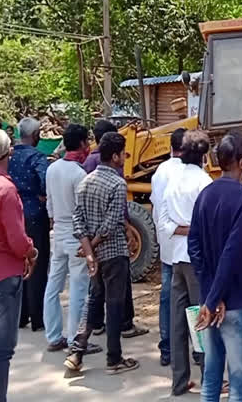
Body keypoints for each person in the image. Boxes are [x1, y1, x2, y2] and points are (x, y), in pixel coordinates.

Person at [189, 131, 242, 402]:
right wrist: (217, 297)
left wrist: (209, 296)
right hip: (236, 300)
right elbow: (232, 250)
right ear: (241, 162)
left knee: (212, 377)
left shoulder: (205, 194)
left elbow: (194, 246)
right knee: (239, 383)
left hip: (210, 302)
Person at [67, 132, 139, 374]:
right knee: (114, 305)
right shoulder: (118, 184)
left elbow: (77, 219)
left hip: (95, 258)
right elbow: (109, 226)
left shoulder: (86, 180)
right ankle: (114, 359)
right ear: (115, 156)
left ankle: (77, 351)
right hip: (114, 254)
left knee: (93, 301)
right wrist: (94, 245)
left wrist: (88, 251)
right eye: (123, 154)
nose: (124, 158)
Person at [0, 128, 39, 402]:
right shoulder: (5, 188)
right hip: (6, 273)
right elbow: (16, 239)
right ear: (8, 153)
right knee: (2, 349)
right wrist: (31, 251)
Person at [83, 119, 146, 340]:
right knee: (118, 293)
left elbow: (79, 214)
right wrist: (128, 227)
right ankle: (122, 331)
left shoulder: (87, 170)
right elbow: (117, 214)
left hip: (93, 238)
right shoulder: (115, 178)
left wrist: (88, 245)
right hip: (111, 243)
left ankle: (91, 332)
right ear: (115, 154)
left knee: (97, 288)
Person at [160, 130, 212, 396]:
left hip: (176, 256)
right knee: (202, 320)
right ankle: (209, 378)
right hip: (197, 260)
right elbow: (208, 226)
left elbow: (164, 222)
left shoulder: (172, 179)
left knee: (179, 323)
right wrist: (195, 230)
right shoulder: (204, 182)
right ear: (204, 155)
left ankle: (179, 381)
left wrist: (184, 229)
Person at [43, 124, 96, 352]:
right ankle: (75, 338)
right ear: (83, 143)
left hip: (59, 232)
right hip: (76, 235)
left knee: (53, 284)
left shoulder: (52, 169)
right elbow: (82, 212)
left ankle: (54, 336)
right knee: (78, 287)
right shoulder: (79, 173)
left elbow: (50, 206)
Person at [8, 117, 50, 332]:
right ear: (35, 135)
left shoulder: (10, 157)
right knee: (38, 263)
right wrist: (42, 195)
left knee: (18, 262)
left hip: (14, 213)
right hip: (34, 213)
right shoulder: (37, 157)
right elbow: (45, 183)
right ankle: (37, 316)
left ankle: (21, 315)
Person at [150, 127, 186, 367]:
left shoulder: (160, 171)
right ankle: (196, 350)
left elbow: (155, 205)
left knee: (167, 296)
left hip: (167, 243)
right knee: (192, 298)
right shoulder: (191, 172)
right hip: (186, 246)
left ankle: (167, 347)